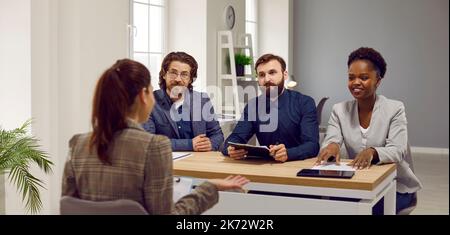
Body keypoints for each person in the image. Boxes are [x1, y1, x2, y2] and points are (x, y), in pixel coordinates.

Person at [62, 59, 249, 214]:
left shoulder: (78, 144)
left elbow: (69, 206)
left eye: (184, 74)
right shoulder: (153, 146)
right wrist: (210, 187)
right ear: (144, 95)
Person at [315, 47, 422, 214]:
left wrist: (373, 152)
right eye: (351, 77)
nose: (356, 82)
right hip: (357, 183)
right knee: (330, 207)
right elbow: (332, 138)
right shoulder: (339, 110)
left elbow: (398, 150)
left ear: (378, 81)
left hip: (395, 185)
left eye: (364, 78)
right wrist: (332, 146)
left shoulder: (395, 108)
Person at [222, 54, 320, 162]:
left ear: (285, 74)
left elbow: (312, 146)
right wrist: (231, 150)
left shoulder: (304, 103)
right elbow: (233, 139)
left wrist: (289, 153)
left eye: (272, 72)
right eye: (262, 75)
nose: (267, 79)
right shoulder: (253, 106)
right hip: (265, 170)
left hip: (296, 167)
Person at [143, 52, 224, 152]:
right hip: (165, 161)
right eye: (173, 73)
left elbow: (217, 135)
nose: (178, 79)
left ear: (190, 79)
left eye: (184, 74)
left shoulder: (202, 100)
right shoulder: (150, 102)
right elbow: (149, 141)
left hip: (199, 162)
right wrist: (190, 144)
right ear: (164, 74)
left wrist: (210, 144)